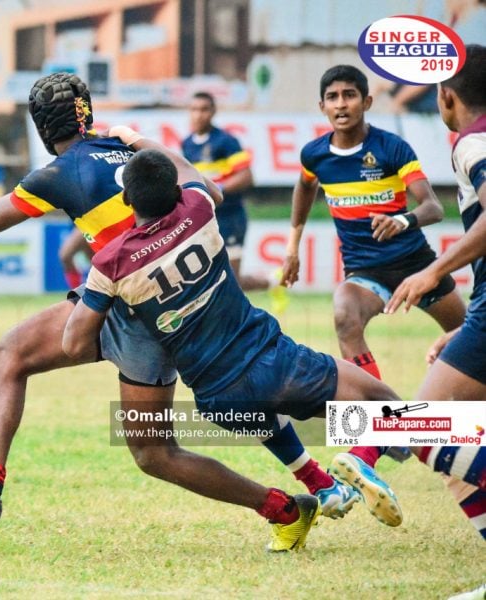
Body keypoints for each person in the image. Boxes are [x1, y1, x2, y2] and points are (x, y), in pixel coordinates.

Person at [0, 72, 362, 530]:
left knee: (14, 360)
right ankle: (313, 488)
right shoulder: (128, 150)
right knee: (226, 409)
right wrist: (139, 140)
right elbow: (210, 190)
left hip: (126, 307)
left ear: (43, 128)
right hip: (189, 309)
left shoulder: (57, 173)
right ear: (86, 113)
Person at [61, 148, 406, 549]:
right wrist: (136, 139)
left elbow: (73, 345)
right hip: (273, 363)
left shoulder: (110, 263)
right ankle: (365, 457)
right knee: (390, 407)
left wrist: (114, 300)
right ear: (176, 191)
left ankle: (321, 485)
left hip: (218, 398)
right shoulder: (197, 207)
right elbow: (199, 179)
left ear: (126, 199)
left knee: (263, 415)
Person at [279, 65, 468, 479]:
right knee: (344, 313)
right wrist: (293, 247)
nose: (341, 104)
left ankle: (458, 432)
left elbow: (432, 206)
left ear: (366, 101)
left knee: (472, 339)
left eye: (349, 95)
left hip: (417, 267)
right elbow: (305, 186)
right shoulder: (315, 154)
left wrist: (403, 220)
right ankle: (380, 427)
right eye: (333, 97)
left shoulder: (391, 148)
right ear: (322, 106)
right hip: (364, 271)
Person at [386, 44, 486, 545]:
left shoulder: (474, 143)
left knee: (424, 429)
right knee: (460, 450)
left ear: (446, 95)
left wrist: (433, 271)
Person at [182, 92, 280, 298]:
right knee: (209, 279)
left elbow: (246, 176)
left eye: (204, 109)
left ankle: (273, 283)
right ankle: (274, 282)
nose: (198, 114)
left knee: (230, 281)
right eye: (194, 109)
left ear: (213, 112)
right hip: (205, 220)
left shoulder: (226, 141)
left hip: (230, 217)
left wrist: (216, 190)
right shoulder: (187, 144)